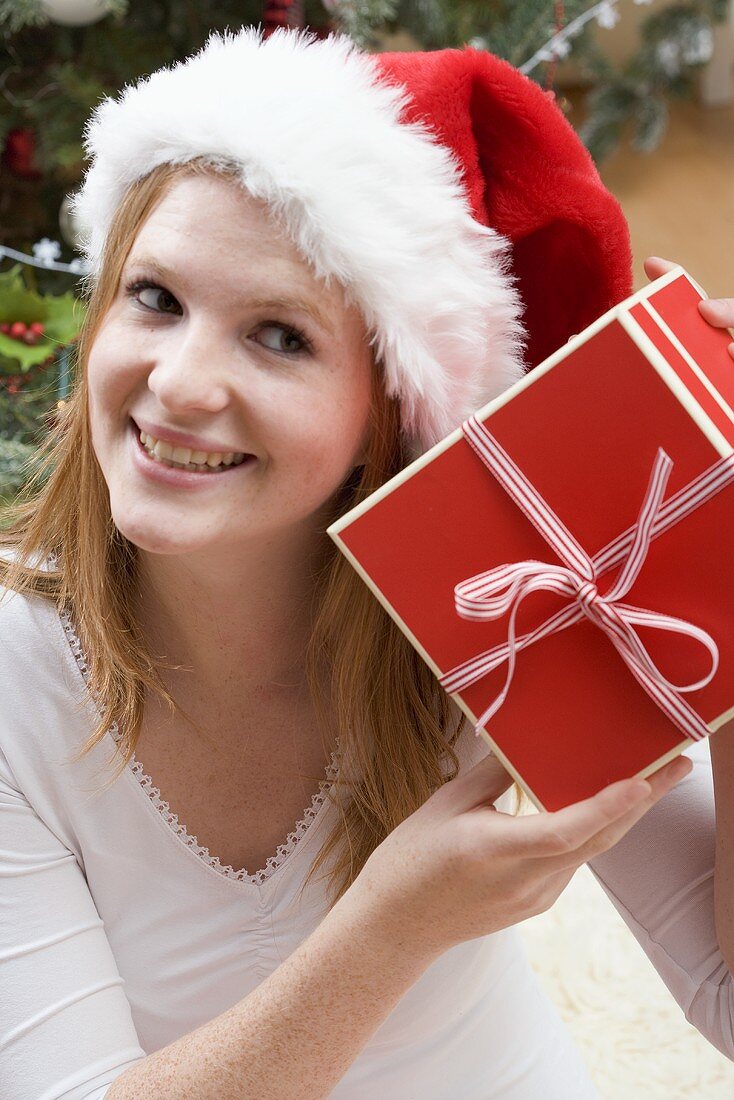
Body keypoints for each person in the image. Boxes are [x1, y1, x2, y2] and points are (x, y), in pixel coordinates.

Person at [0, 26, 732, 1099]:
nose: (181, 383)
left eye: (279, 336)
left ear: (388, 417)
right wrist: (394, 922)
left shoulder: (506, 602)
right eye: (155, 297)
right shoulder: (19, 669)